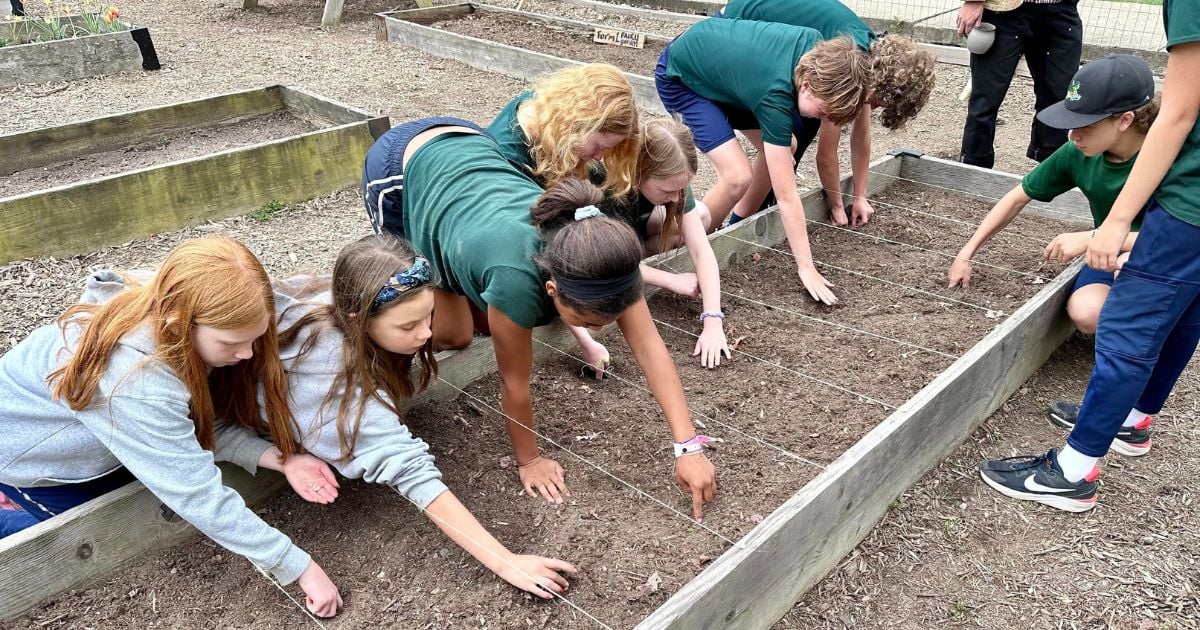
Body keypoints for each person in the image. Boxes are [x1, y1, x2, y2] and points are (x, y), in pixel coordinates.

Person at [363, 118, 718, 520]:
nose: (601, 328)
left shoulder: (606, 252)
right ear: (551, 291)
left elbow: (650, 348)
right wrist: (528, 460)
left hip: (474, 150)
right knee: (447, 332)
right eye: (590, 320)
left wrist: (688, 445)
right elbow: (514, 381)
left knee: (468, 324)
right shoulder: (514, 280)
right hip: (412, 168)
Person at [0, 237, 344, 617]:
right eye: (232, 343)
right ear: (180, 323)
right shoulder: (134, 384)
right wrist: (298, 567)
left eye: (253, 339)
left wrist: (280, 459)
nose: (247, 354)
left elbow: (187, 425)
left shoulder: (179, 303)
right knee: (88, 541)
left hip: (106, 437)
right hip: (35, 460)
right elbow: (194, 492)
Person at [258, 234, 575, 598]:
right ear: (357, 320)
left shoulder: (342, 303)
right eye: (408, 327)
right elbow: (408, 469)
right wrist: (504, 560)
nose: (426, 334)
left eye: (428, 316)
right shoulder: (329, 371)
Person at [979, 0, 1200, 512]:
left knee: (1128, 325)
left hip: (1191, 202)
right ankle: (1133, 421)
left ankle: (1073, 473)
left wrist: (1116, 222)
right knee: (1186, 315)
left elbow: (1182, 110)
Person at [655, 17, 871, 304]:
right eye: (821, 112)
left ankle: (736, 225)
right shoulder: (776, 96)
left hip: (719, 69)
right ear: (805, 86)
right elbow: (786, 195)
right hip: (682, 79)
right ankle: (696, 243)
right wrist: (806, 267)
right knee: (737, 175)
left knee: (787, 145)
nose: (821, 121)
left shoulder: (814, 47)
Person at [949, 55, 1158, 337]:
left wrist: (1091, 238)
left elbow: (1180, 238)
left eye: (1086, 125)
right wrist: (966, 253)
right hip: (1107, 252)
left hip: (1166, 257)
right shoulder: (1078, 152)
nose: (1073, 135)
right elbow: (1017, 197)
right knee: (1085, 312)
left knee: (1127, 267)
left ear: (1125, 120)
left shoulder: (1170, 158)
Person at [717, 0, 937, 226]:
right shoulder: (849, 71)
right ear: (879, 85)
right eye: (879, 102)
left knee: (800, 128)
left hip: (754, 26)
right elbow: (825, 155)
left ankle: (761, 210)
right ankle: (740, 223)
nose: (875, 108)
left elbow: (862, 135)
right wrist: (838, 205)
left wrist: (860, 196)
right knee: (796, 128)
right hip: (734, 26)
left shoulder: (871, 59)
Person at [600, 117, 731, 368]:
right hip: (606, 241)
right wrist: (670, 279)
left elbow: (700, 250)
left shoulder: (675, 183)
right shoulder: (607, 186)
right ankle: (637, 255)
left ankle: (638, 251)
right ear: (640, 171)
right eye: (666, 191)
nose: (675, 198)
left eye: (680, 190)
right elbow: (601, 258)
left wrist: (712, 320)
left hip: (634, 228)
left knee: (701, 215)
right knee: (615, 263)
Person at [956, 0, 1083, 169]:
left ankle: (1053, 172)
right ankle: (972, 170)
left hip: (1060, 10)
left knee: (1058, 97)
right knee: (985, 99)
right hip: (1004, 10)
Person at [486, 63, 639, 197]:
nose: (599, 157)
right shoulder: (509, 162)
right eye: (598, 147)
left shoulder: (543, 106)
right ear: (578, 124)